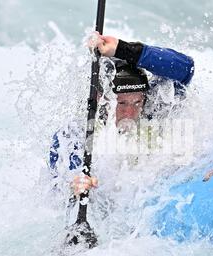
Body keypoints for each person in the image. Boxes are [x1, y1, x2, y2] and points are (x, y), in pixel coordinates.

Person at [49, 32, 195, 199]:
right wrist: (73, 183)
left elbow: (186, 68)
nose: (130, 113)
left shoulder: (153, 107)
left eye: (137, 102)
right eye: (121, 103)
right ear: (102, 99)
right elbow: (58, 181)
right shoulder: (75, 133)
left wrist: (125, 50)